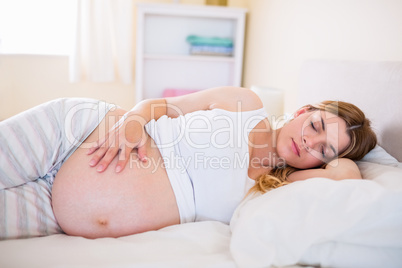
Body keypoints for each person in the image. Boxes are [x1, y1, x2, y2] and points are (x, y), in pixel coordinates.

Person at [0, 86, 376, 240]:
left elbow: (345, 177)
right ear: (302, 110)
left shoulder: (275, 189)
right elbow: (158, 106)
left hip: (54, 216)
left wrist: (338, 159)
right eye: (314, 125)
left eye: (323, 150)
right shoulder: (245, 102)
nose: (309, 141)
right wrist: (132, 122)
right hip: (79, 132)